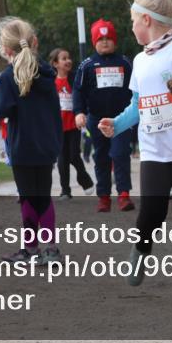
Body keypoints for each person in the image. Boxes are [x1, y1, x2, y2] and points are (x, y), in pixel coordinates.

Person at [99, 0, 172, 290]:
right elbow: (137, 105)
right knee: (152, 212)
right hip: (154, 152)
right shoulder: (140, 60)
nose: (130, 27)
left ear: (146, 20)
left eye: (132, 20)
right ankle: (141, 250)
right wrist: (116, 124)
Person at [0, 17, 64, 264]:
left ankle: (30, 248)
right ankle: (51, 248)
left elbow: (3, 109)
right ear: (35, 42)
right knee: (44, 194)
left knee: (28, 196)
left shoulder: (7, 77)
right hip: (47, 143)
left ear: (7, 51)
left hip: (23, 145)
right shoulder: (47, 73)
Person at [73, 19, 135, 212]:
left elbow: (135, 89)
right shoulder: (87, 65)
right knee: (101, 157)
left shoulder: (125, 62)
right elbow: (78, 90)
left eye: (109, 38)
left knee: (120, 154)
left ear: (115, 41)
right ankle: (104, 197)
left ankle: (124, 194)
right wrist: (79, 112)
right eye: (101, 39)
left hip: (121, 120)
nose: (105, 42)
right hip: (96, 120)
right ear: (94, 42)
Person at [49, 48, 93, 199]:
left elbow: (83, 97)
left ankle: (85, 179)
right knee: (62, 158)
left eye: (69, 58)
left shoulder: (75, 78)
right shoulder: (51, 82)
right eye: (63, 58)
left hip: (73, 124)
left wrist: (83, 113)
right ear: (55, 64)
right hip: (58, 126)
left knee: (74, 155)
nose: (68, 60)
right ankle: (65, 190)